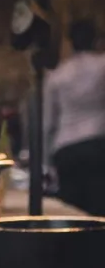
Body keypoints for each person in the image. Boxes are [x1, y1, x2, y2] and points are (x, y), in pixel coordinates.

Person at [43, 18, 105, 216]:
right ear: (96, 40)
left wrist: (46, 160)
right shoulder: (102, 67)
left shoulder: (58, 75)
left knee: (72, 210)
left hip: (66, 146)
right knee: (99, 208)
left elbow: (48, 122)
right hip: (97, 142)